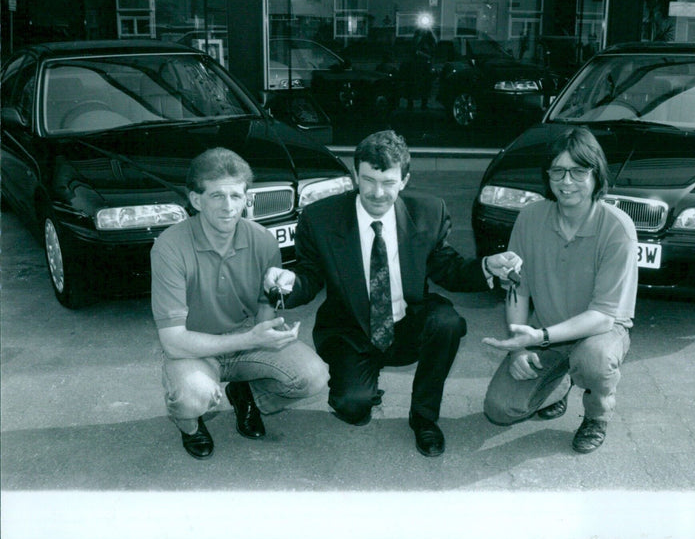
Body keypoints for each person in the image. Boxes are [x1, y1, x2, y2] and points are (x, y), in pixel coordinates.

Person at [265, 130, 521, 457]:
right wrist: (286, 284)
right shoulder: (320, 219)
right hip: (349, 329)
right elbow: (309, 276)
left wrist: (486, 266)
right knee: (352, 406)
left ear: (405, 180)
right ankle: (362, 389)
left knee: (447, 323)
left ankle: (424, 418)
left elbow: (448, 268)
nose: (377, 192)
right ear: (355, 175)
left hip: (406, 321)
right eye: (369, 180)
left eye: (388, 182)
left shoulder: (428, 212)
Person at [150, 147, 329, 460]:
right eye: (217, 196)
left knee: (314, 376)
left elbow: (264, 309)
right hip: (194, 347)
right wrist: (252, 338)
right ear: (196, 200)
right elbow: (174, 341)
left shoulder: (262, 240)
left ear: (247, 198)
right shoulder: (170, 247)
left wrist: (271, 327)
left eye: (236, 196)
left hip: (246, 340)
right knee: (193, 397)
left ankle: (247, 395)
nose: (228, 207)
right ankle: (190, 427)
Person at [482, 127, 638, 453]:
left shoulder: (617, 227)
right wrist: (517, 347)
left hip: (601, 333)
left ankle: (597, 415)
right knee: (499, 410)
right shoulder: (530, 217)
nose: (567, 182)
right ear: (548, 176)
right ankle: (560, 382)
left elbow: (601, 317)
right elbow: (517, 290)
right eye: (558, 171)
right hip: (548, 330)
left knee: (594, 360)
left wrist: (538, 338)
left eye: (579, 171)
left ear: (597, 174)